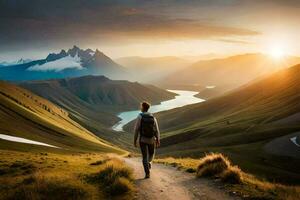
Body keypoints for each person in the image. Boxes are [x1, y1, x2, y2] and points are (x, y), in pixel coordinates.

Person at [134, 101, 160, 179]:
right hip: (152, 139)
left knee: (144, 156)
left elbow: (136, 129)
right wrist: (158, 139)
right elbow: (156, 130)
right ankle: (149, 163)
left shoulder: (140, 116)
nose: (140, 107)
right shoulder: (153, 117)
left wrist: (135, 140)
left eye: (141, 106)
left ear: (143, 107)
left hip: (142, 140)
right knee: (151, 154)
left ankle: (147, 173)